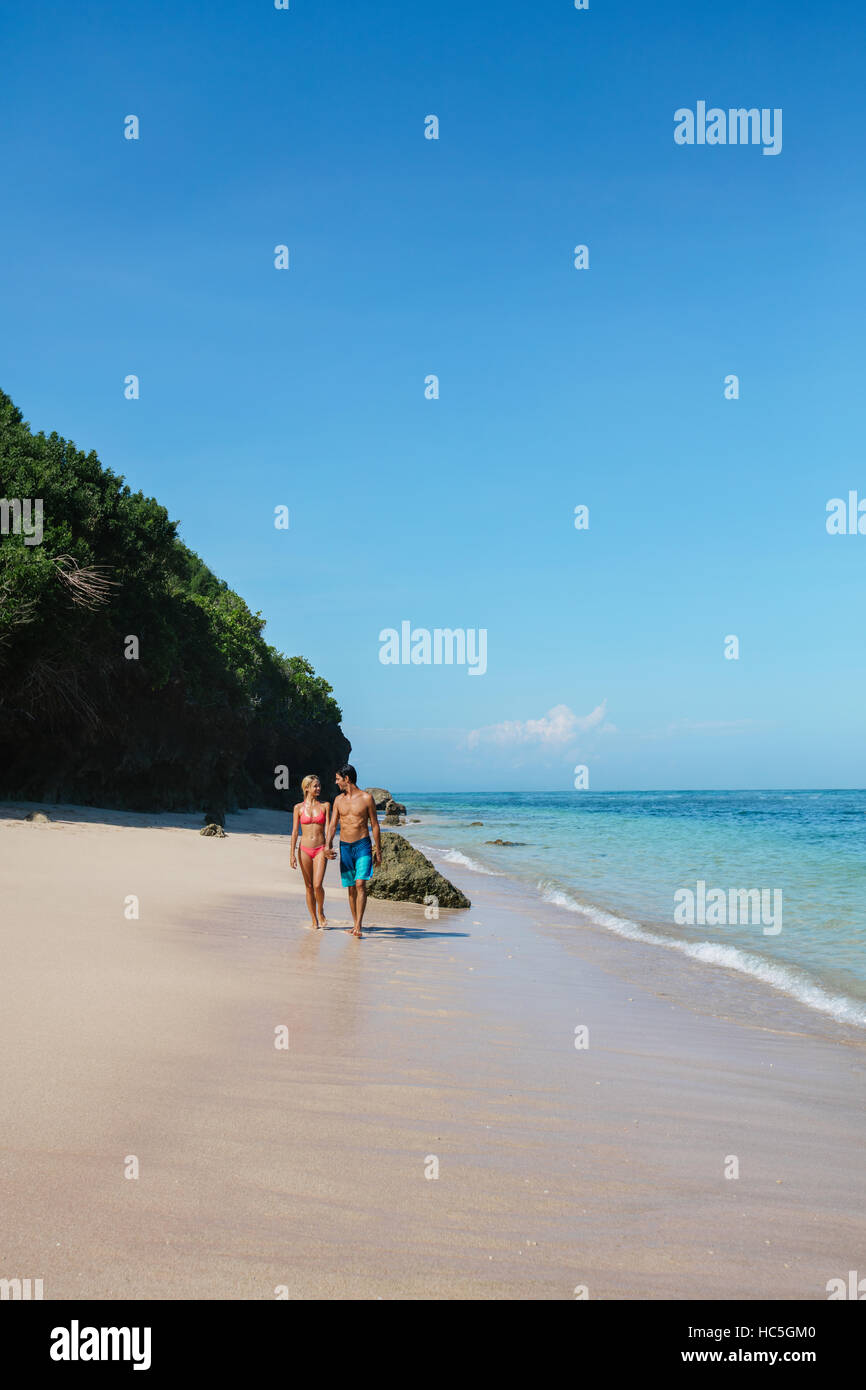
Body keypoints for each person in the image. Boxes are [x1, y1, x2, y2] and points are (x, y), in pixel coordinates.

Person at [326, 764, 382, 938]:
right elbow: (333, 824)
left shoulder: (367, 798)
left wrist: (378, 849)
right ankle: (354, 922)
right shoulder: (338, 800)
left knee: (360, 884)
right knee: (351, 887)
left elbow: (374, 824)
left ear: (347, 779)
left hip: (363, 845)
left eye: (338, 779)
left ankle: (359, 925)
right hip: (345, 846)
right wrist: (327, 845)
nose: (336, 783)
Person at [290, 774, 332, 930]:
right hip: (304, 849)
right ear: (306, 788)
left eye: (319, 786)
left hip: (321, 848)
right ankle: (314, 919)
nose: (318, 788)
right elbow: (295, 831)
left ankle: (320, 911)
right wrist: (292, 854)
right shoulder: (298, 808)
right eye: (315, 786)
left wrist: (328, 845)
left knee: (317, 885)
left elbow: (328, 827)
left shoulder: (325, 806)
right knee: (308, 886)